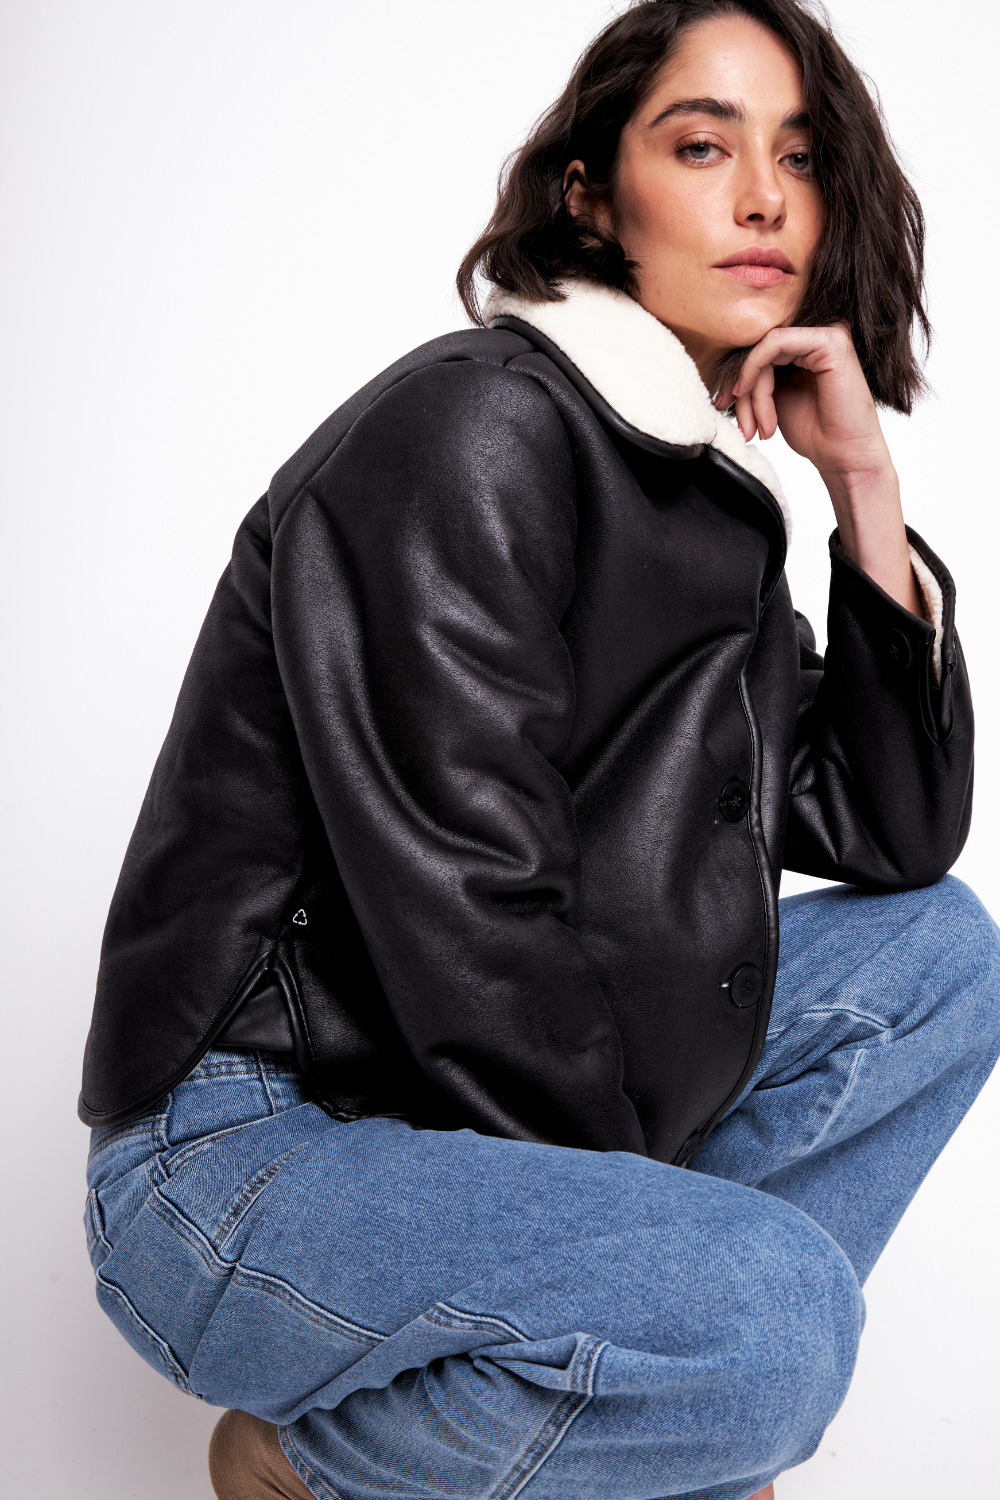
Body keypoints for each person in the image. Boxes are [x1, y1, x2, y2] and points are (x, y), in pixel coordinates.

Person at [80, 3, 999, 1498]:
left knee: (940, 957)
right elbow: (469, 911)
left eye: (800, 157)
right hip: (259, 1155)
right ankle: (325, 1466)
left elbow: (892, 836)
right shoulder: (476, 428)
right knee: (774, 1320)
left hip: (481, 1135)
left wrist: (864, 488)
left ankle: (650, 1430)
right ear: (590, 197)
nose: (763, 199)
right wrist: (695, 1307)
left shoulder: (699, 495)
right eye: (700, 147)